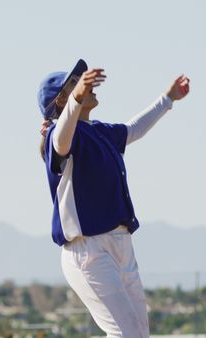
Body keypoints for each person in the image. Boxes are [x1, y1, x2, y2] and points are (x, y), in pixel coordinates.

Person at [37, 59, 190, 338]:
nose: (85, 83)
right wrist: (76, 98)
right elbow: (61, 140)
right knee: (126, 335)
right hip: (88, 251)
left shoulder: (99, 131)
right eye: (74, 83)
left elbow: (133, 129)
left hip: (121, 244)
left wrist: (168, 99)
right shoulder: (58, 137)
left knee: (139, 334)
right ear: (61, 100)